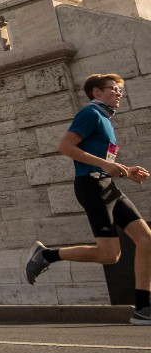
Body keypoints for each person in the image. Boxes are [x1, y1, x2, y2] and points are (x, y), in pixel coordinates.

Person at [25, 73, 151, 325]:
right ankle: (47, 255)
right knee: (109, 254)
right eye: (113, 89)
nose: (119, 94)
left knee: (147, 240)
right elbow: (66, 147)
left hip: (108, 185)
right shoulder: (90, 114)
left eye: (120, 91)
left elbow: (103, 159)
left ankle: (143, 308)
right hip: (92, 186)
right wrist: (105, 164)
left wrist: (126, 170)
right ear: (96, 92)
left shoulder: (104, 118)